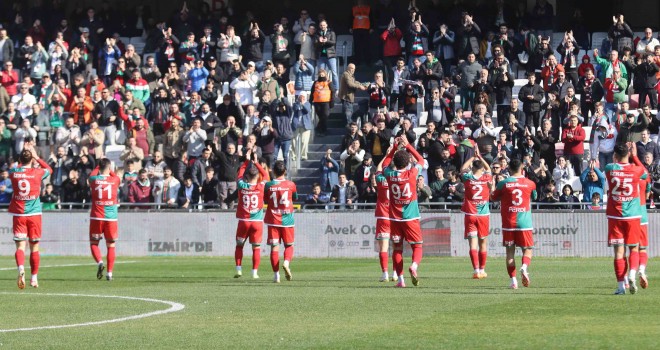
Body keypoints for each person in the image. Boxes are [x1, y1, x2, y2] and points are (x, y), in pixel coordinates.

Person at [382, 136, 424, 287]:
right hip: (411, 217)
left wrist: (394, 148)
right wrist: (409, 146)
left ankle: (401, 280)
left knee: (397, 249)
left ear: (396, 162)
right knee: (417, 246)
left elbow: (384, 165)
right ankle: (414, 266)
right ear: (407, 162)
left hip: (394, 219)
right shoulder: (412, 173)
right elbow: (421, 161)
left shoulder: (390, 175)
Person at [605, 143, 647, 295]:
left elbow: (613, 164)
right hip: (633, 216)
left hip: (615, 216)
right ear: (628, 154)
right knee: (634, 248)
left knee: (618, 252)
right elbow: (646, 174)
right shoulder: (636, 170)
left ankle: (621, 286)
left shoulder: (610, 168)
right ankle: (632, 274)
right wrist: (634, 156)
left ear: (615, 156)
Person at [9, 145, 52, 289]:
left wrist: (25, 156)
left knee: (20, 246)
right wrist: (36, 156)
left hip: (19, 214)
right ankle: (34, 279)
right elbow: (50, 170)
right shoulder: (38, 172)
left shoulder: (14, 172)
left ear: (20, 159)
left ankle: (21, 268)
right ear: (31, 159)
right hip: (34, 214)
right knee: (34, 247)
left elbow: (18, 166)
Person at [492, 159, 537, 290]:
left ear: (509, 169)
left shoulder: (503, 184)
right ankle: (524, 267)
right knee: (527, 249)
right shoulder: (530, 183)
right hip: (525, 223)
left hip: (509, 224)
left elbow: (493, 197)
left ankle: (513, 281)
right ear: (522, 168)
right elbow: (534, 196)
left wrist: (492, 187)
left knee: (509, 253)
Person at [234, 148, 269, 279]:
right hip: (257, 222)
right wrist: (256, 162)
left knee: (239, 246)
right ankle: (254, 272)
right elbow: (265, 175)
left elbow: (239, 174)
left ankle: (238, 269)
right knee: (256, 248)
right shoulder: (261, 186)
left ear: (247, 176)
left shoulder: (242, 185)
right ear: (257, 176)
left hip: (244, 221)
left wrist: (246, 161)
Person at [460, 152, 493, 279]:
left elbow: (463, 169)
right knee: (483, 243)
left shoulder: (468, 178)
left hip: (470, 214)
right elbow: (489, 168)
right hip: (483, 215)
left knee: (472, 244)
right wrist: (480, 156)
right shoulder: (486, 178)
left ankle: (476, 271)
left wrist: (473, 157)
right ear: (482, 168)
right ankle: (482, 269)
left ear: (472, 167)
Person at [264, 161, 298, 283]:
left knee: (274, 248)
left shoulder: (268, 185)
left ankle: (276, 275)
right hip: (287, 219)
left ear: (273, 171)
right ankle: (286, 262)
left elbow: (266, 200)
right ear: (285, 171)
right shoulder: (291, 184)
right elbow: (295, 198)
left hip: (273, 219)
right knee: (289, 245)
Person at [87, 158, 121, 281]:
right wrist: (110, 170)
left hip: (96, 216)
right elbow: (113, 175)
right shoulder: (115, 179)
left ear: (98, 167)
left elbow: (92, 175)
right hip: (111, 218)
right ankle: (110, 273)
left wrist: (98, 166)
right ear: (109, 167)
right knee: (111, 245)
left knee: (94, 243)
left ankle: (100, 262)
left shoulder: (94, 180)